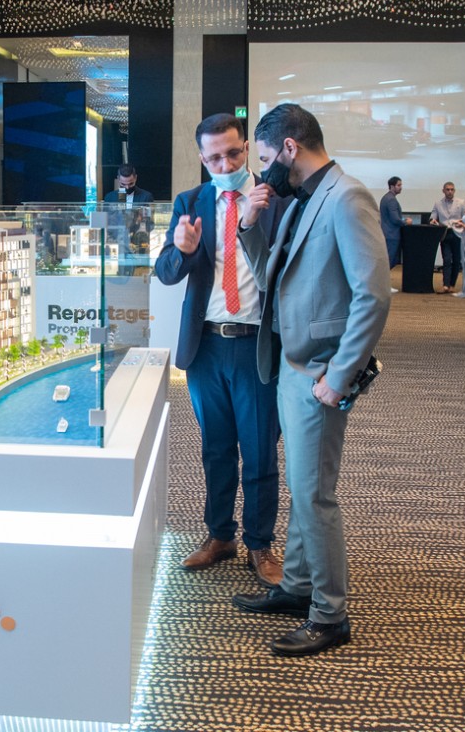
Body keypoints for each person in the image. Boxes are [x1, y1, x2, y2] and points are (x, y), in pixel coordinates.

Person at [232, 103, 390, 657]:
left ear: (290, 148)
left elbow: (373, 296)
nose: (264, 169)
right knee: (301, 489)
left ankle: (330, 614)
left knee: (315, 497)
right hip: (288, 366)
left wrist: (339, 377)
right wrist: (248, 225)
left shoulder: (347, 197)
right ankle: (297, 586)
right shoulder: (301, 199)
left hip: (319, 373)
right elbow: (269, 278)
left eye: (266, 157)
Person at [154, 113, 286, 587]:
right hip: (206, 345)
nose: (224, 164)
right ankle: (220, 535)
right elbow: (166, 272)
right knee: (215, 449)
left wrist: (254, 224)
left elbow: (286, 271)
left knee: (260, 450)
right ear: (202, 158)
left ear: (246, 148)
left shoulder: (276, 200)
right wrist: (183, 249)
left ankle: (260, 543)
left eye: (232, 153)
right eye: (214, 158)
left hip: (257, 347)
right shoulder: (190, 202)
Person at [429, 181, 465, 294]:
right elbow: (433, 216)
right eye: (447, 189)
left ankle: (452, 285)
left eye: (452, 189)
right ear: (443, 191)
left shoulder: (461, 202)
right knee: (446, 259)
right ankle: (445, 285)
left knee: (456, 260)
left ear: (454, 191)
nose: (450, 191)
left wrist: (461, 222)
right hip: (445, 233)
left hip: (457, 233)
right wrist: (433, 220)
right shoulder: (438, 203)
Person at [379, 176, 410, 294]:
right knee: (390, 260)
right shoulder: (391, 200)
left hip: (388, 233)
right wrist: (405, 222)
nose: (401, 187)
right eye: (398, 185)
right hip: (391, 234)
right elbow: (395, 219)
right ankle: (383, 285)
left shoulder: (386, 198)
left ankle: (383, 284)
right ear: (392, 186)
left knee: (391, 259)